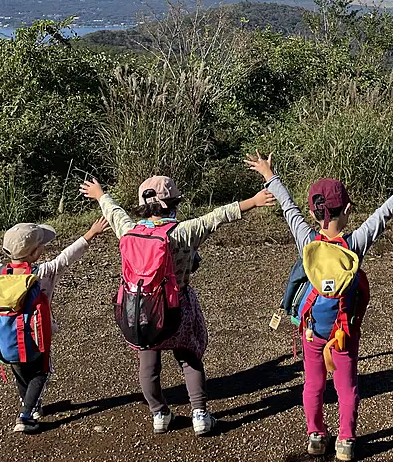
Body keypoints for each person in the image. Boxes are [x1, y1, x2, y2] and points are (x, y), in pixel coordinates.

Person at [246, 152, 393, 462]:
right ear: (347, 210)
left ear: (313, 213)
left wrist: (269, 174)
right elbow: (384, 213)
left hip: (311, 331)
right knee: (347, 387)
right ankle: (346, 441)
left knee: (313, 383)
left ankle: (315, 435)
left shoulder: (306, 240)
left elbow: (287, 207)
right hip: (343, 332)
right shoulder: (355, 244)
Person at [81, 175, 276, 436]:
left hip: (141, 309)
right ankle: (200, 415)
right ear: (173, 203)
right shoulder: (182, 232)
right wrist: (253, 201)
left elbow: (114, 212)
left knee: (148, 364)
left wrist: (100, 194)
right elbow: (216, 217)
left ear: (142, 204)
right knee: (189, 358)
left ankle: (159, 414)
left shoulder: (129, 230)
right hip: (177, 305)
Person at [0, 204, 109, 433]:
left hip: (5, 339)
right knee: (39, 373)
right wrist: (90, 234)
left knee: (21, 372)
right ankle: (25, 416)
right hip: (36, 338)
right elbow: (65, 258)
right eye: (41, 245)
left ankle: (30, 405)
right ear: (35, 253)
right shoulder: (41, 274)